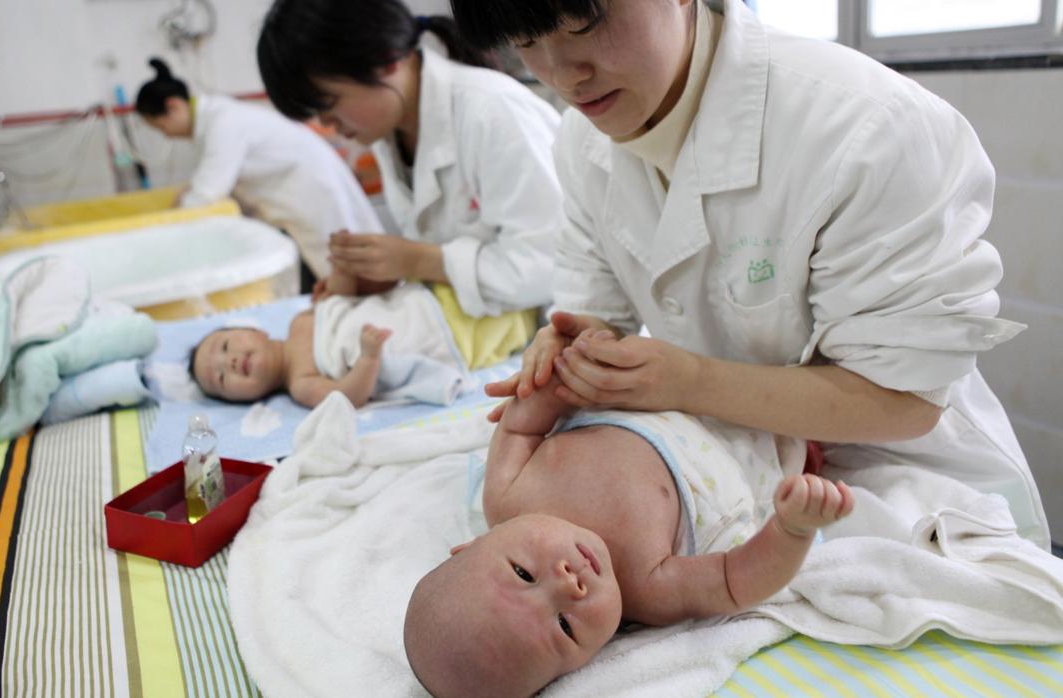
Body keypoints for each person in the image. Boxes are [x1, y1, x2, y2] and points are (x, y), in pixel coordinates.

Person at [449, 0, 1050, 546]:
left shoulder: (868, 126)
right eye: (525, 42)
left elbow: (904, 401)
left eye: (585, 25)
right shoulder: (580, 142)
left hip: (898, 476)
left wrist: (688, 382)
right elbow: (596, 314)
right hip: (737, 471)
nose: (561, 75)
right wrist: (573, 346)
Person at [403, 358, 855, 697]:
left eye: (523, 574)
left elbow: (521, 425)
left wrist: (558, 375)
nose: (568, 584)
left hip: (664, 380)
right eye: (565, 627)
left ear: (471, 544)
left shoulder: (506, 494)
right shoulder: (647, 587)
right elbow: (736, 580)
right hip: (764, 429)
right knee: (832, 388)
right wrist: (792, 529)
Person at [256, 0, 563, 325]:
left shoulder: (494, 113)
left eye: (329, 104)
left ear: (384, 60)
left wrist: (419, 262)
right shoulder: (391, 132)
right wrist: (380, 277)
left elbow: (548, 265)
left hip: (554, 328)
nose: (326, 122)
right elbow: (440, 245)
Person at [135, 57, 383, 284]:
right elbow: (207, 179)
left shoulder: (223, 122)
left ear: (174, 106)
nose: (165, 134)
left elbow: (207, 192)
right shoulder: (215, 121)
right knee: (340, 274)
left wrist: (166, 226)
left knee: (353, 272)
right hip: (301, 200)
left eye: (160, 126)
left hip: (315, 195)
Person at [189, 284, 474, 408]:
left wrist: (341, 272)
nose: (229, 362)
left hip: (422, 301)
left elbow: (342, 299)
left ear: (255, 329)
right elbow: (350, 396)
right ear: (244, 400)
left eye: (225, 346)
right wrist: (369, 359)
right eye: (222, 379)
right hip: (443, 337)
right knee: (511, 327)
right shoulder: (301, 383)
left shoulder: (299, 320)